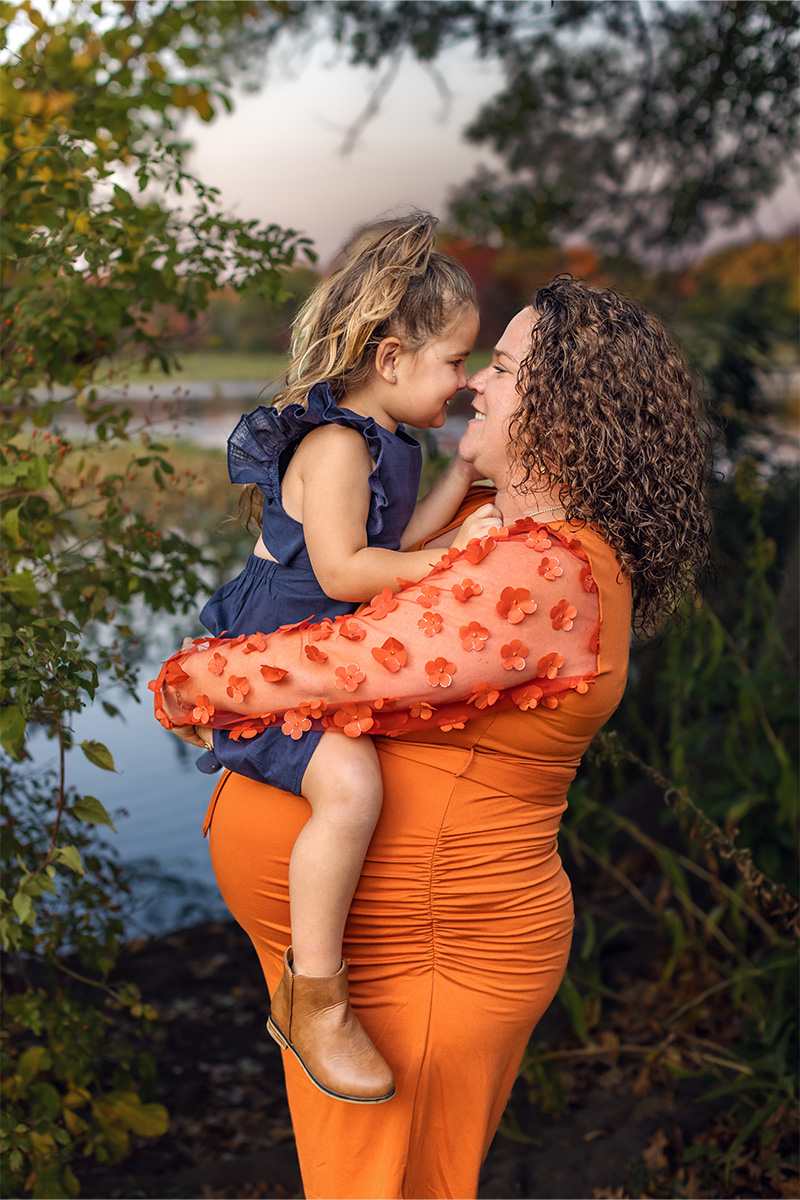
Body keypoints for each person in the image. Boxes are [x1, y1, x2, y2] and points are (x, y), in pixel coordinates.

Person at [153, 275, 710, 1200]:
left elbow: (344, 667)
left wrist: (190, 677)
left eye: (501, 364)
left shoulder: (548, 572)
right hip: (382, 946)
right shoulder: (496, 528)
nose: (474, 385)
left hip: (430, 952)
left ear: (565, 407)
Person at [184, 214, 497, 1106]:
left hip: (331, 652)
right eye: (453, 363)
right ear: (392, 359)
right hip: (274, 660)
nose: (464, 381)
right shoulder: (334, 445)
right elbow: (347, 569)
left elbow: (401, 536)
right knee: (353, 787)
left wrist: (471, 484)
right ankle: (313, 996)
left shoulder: (396, 439)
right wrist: (449, 562)